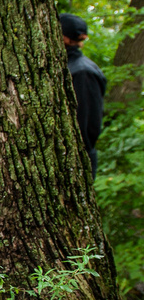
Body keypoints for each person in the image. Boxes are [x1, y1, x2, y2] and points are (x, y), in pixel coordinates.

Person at [60, 13, 107, 178]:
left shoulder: (82, 72)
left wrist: (74, 155)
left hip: (78, 160)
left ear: (65, 38)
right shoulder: (69, 66)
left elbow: (87, 124)